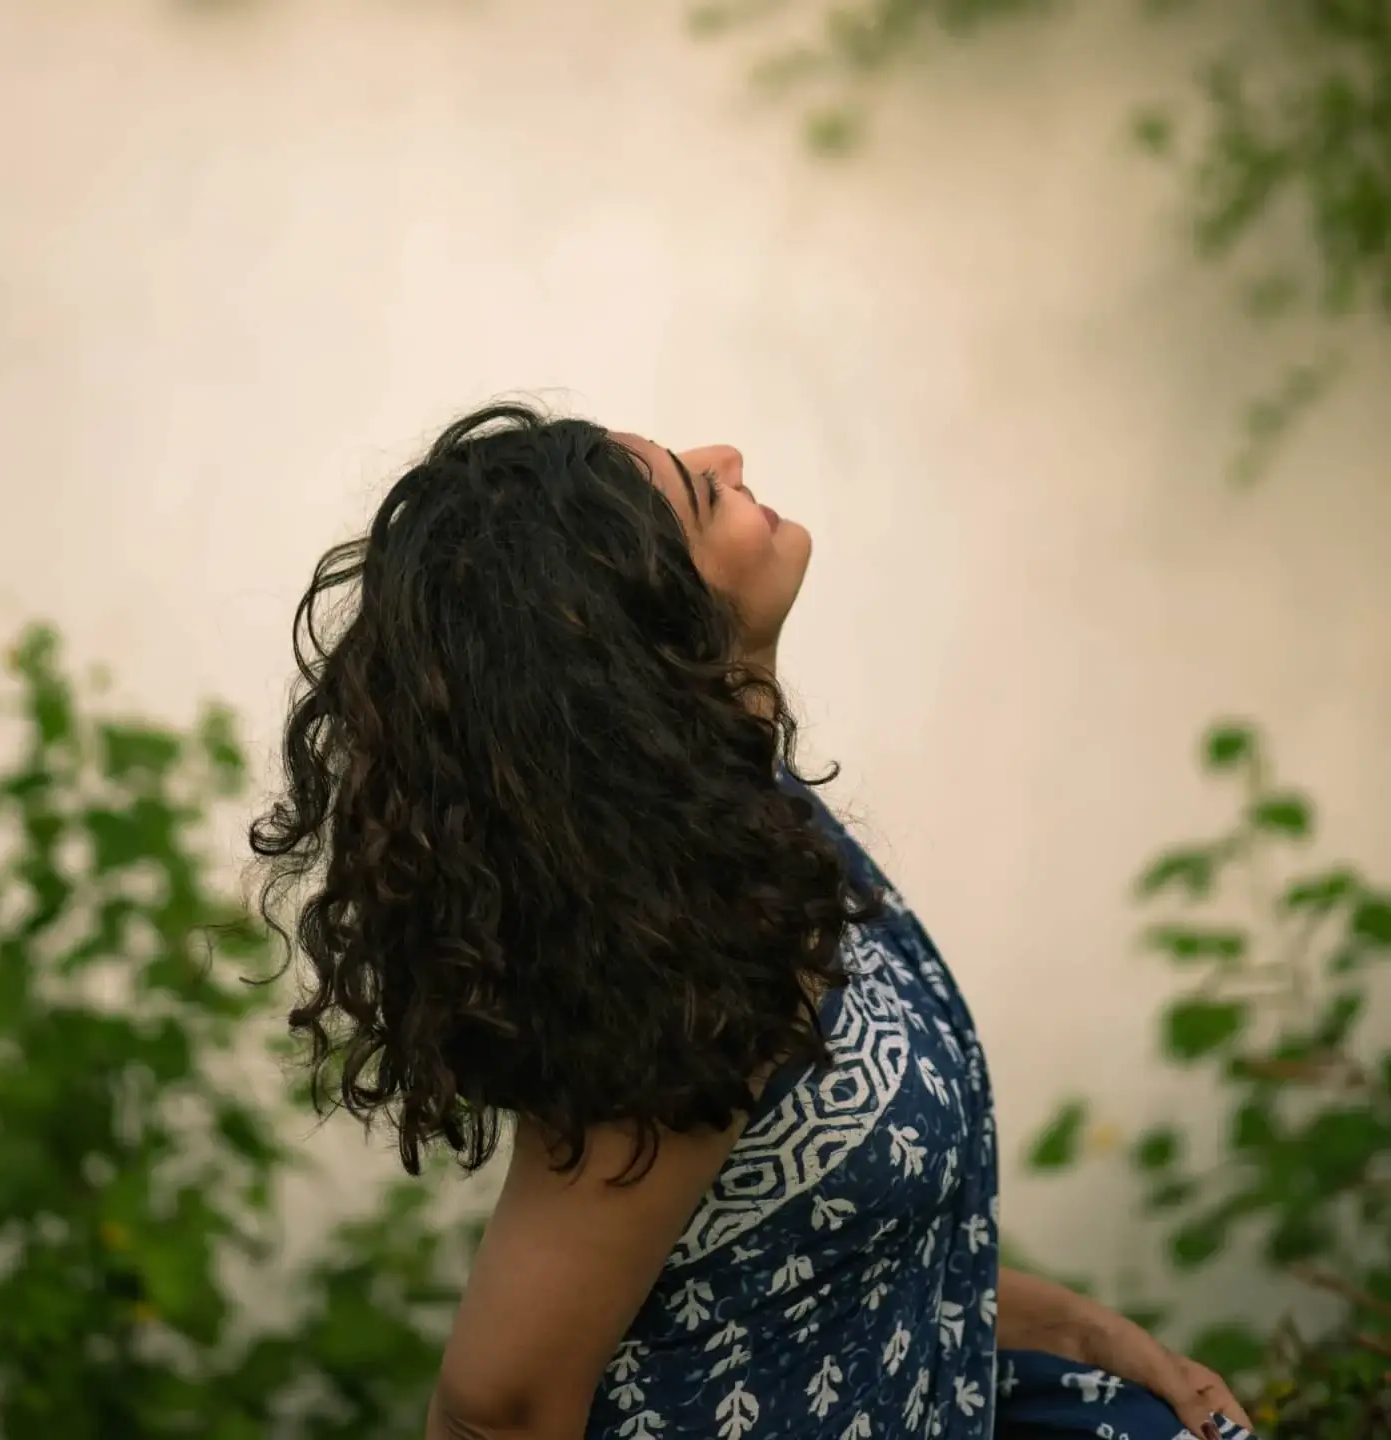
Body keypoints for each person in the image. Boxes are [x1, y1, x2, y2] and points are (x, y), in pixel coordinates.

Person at [251, 404, 1259, 1440]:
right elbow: (496, 1408)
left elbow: (812, 1260)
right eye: (697, 493)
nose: (727, 456)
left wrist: (1080, 1333)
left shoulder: (761, 838)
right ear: (640, 626)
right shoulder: (684, 957)